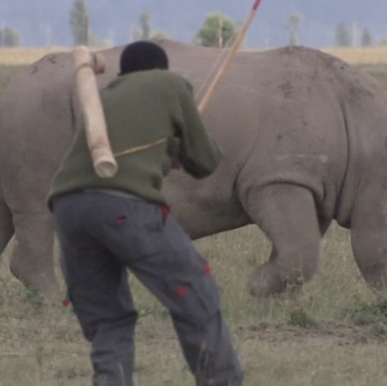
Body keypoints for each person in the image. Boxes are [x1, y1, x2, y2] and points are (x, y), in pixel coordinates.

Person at [47, 41, 244, 386]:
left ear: (123, 74)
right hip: (125, 208)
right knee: (196, 291)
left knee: (108, 319)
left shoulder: (106, 98)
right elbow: (206, 161)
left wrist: (167, 149)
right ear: (161, 70)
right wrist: (184, 146)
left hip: (68, 209)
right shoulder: (168, 84)